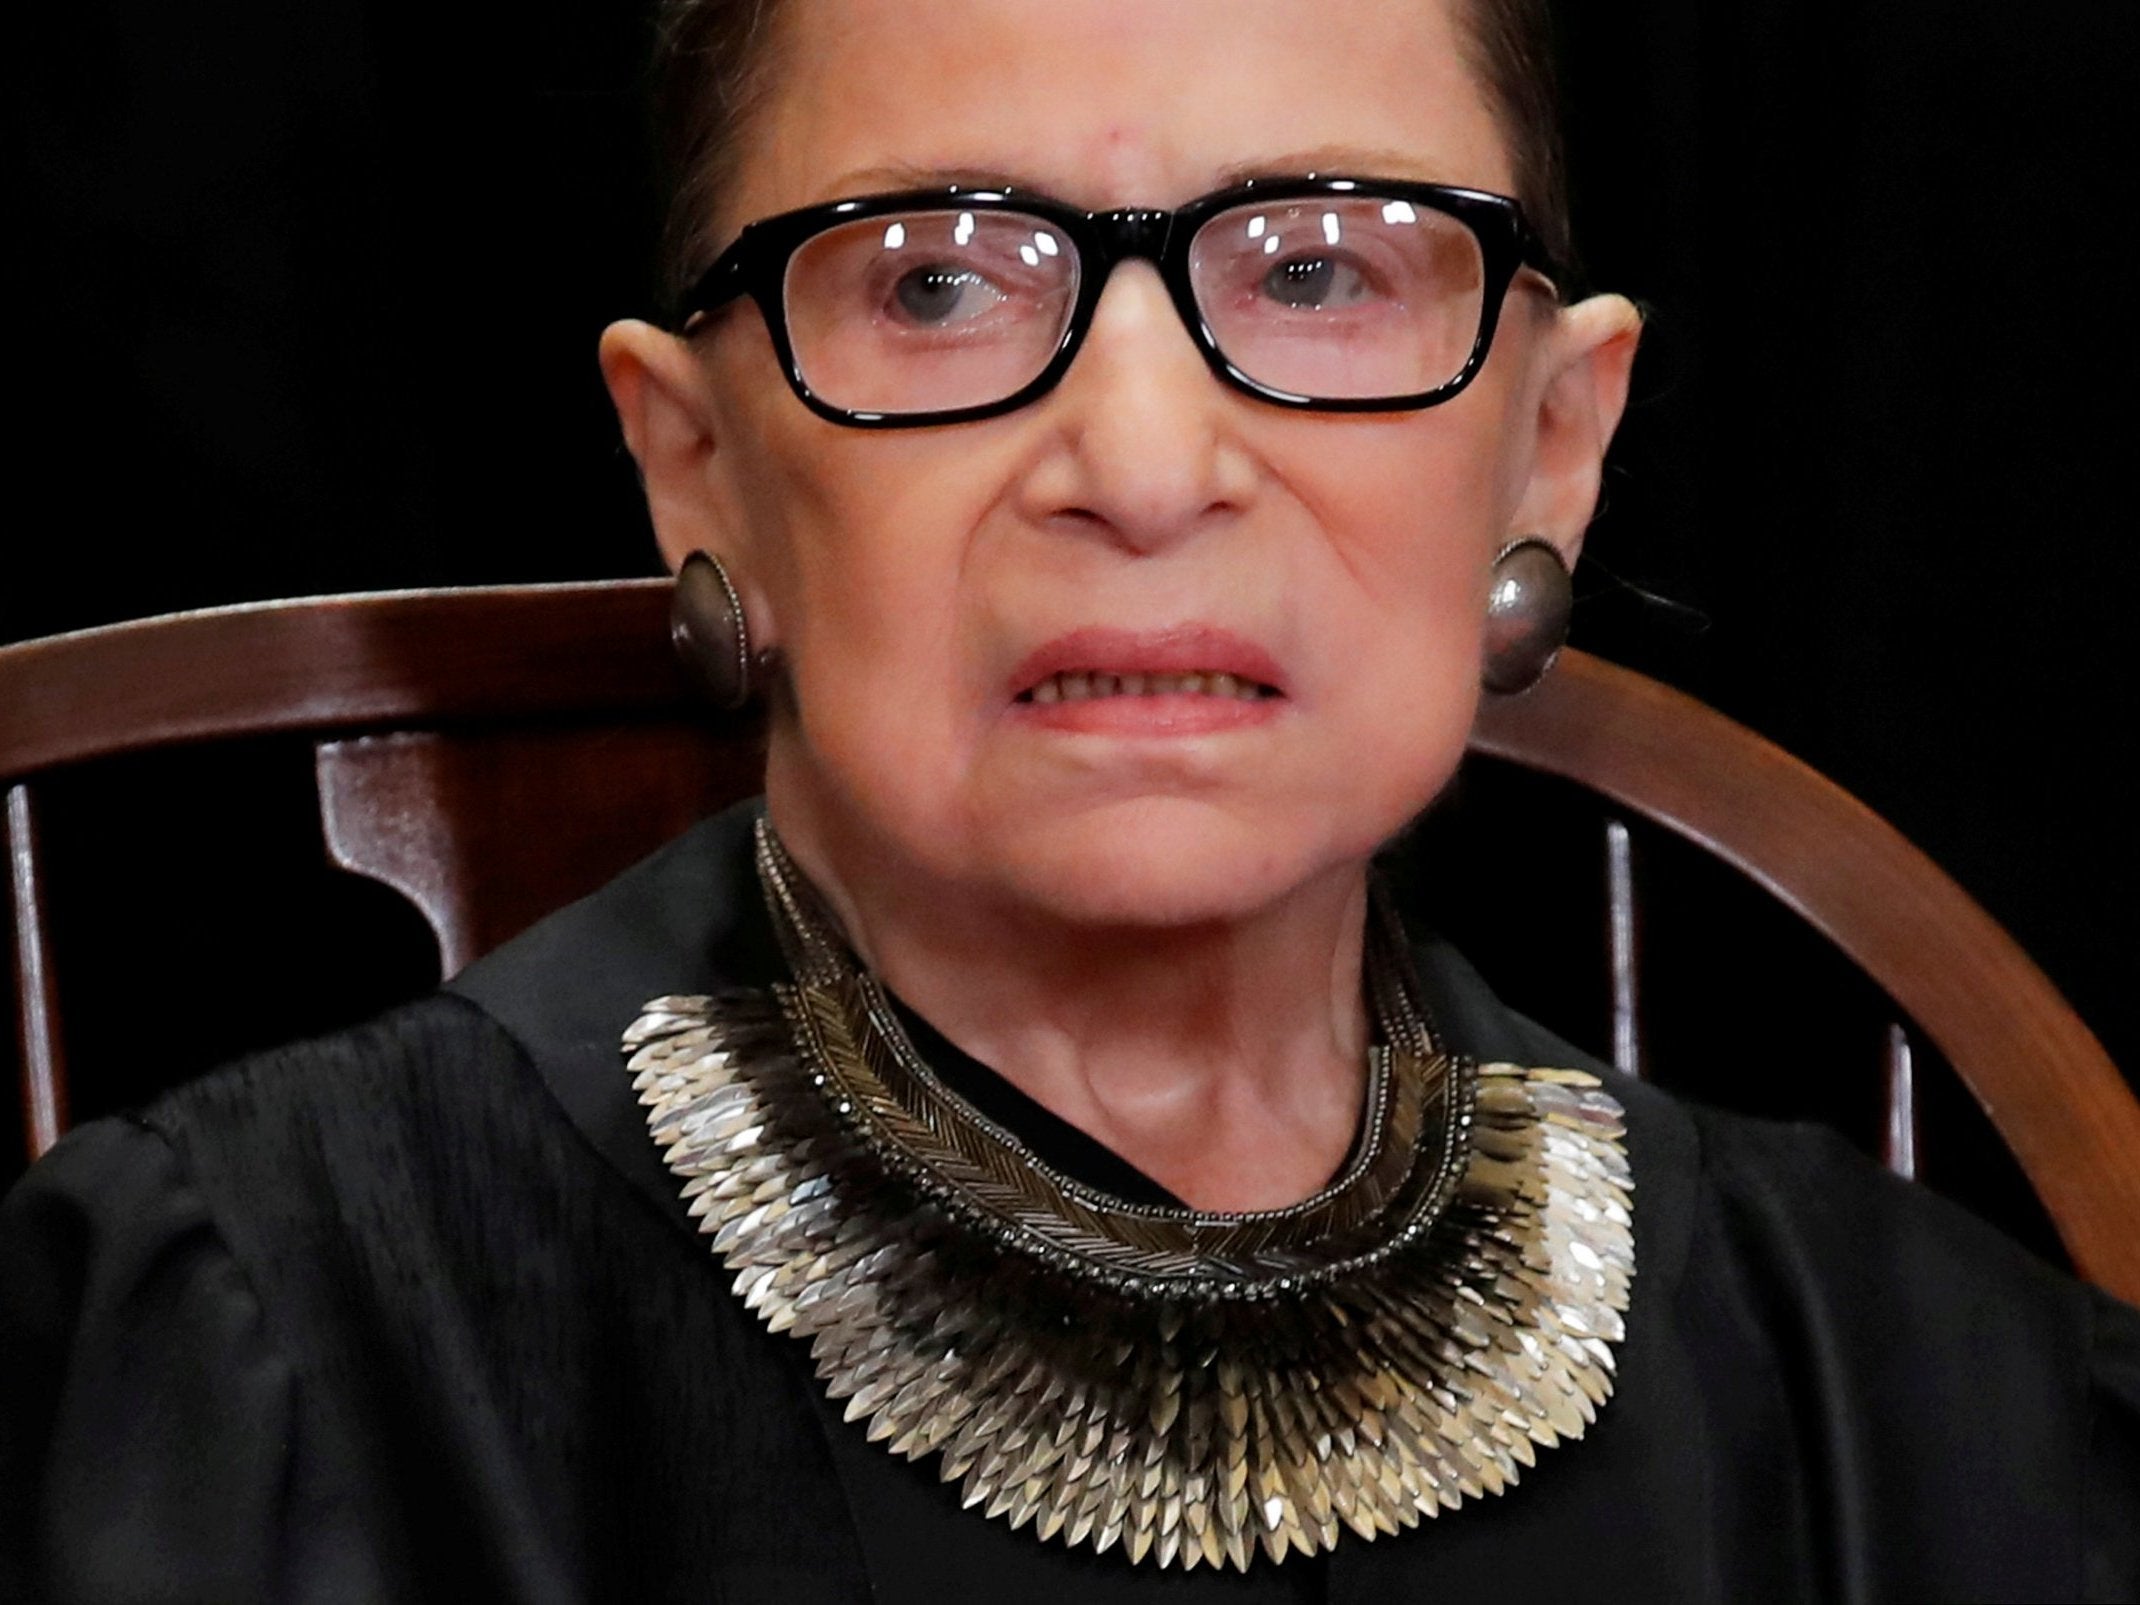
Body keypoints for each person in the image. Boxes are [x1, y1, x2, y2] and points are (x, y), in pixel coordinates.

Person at [2, 0, 2133, 1599]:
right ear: (694, 463)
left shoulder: (1914, 1404)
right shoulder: (272, 1355)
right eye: (934, 278)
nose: (1138, 458)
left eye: (1315, 267)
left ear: (1554, 443)